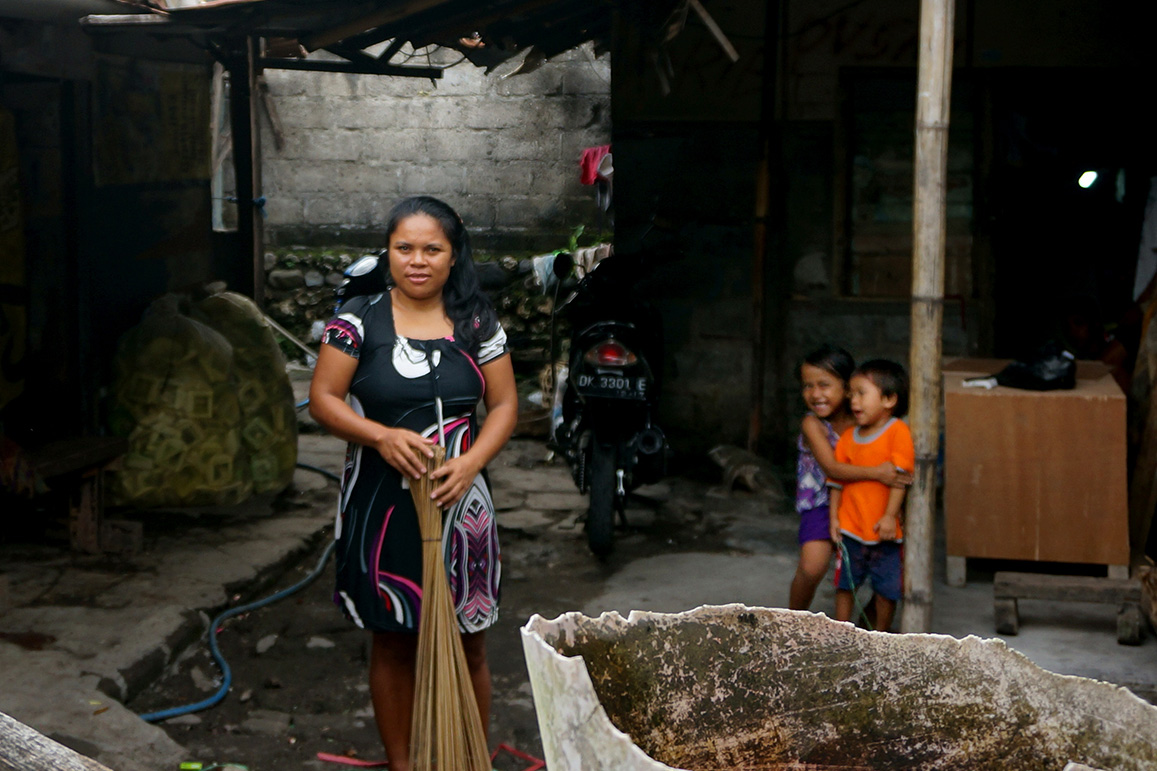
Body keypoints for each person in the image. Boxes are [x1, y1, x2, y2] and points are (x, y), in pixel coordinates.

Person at [309, 196, 518, 770]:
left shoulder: (477, 321)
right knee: (393, 636)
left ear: (454, 257)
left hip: (462, 505)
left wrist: (472, 462)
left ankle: (468, 758)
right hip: (381, 506)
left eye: (433, 249)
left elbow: (503, 406)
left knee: (470, 637)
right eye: (405, 248)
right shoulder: (356, 319)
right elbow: (323, 401)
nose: (417, 260)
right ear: (389, 252)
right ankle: (404, 765)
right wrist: (379, 437)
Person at [790, 346, 911, 611]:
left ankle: (870, 626)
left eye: (824, 385)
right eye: (807, 386)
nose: (815, 394)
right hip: (821, 505)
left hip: (865, 503)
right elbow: (832, 469)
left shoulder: (866, 423)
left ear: (847, 388)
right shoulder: (813, 425)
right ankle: (789, 620)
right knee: (811, 568)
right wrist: (878, 472)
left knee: (883, 571)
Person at [827, 359, 914, 632]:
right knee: (845, 585)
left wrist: (889, 517)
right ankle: (840, 633)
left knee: (887, 589)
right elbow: (837, 484)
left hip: (884, 533)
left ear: (889, 399)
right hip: (851, 528)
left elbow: (900, 480)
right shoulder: (848, 438)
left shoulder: (897, 432)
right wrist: (834, 519)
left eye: (862, 393)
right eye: (852, 394)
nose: (854, 401)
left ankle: (882, 636)